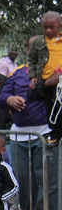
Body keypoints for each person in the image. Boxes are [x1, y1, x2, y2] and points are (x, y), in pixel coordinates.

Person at [0, 36, 58, 210]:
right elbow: (1, 97)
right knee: (23, 181)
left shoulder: (54, 71)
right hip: (19, 137)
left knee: (46, 183)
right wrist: (9, 99)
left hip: (44, 135)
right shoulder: (17, 72)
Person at [28, 11, 62, 143]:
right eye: (45, 27)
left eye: (51, 27)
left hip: (60, 80)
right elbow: (32, 60)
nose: (48, 30)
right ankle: (54, 133)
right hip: (46, 80)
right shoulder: (38, 42)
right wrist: (32, 77)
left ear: (59, 26)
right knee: (51, 106)